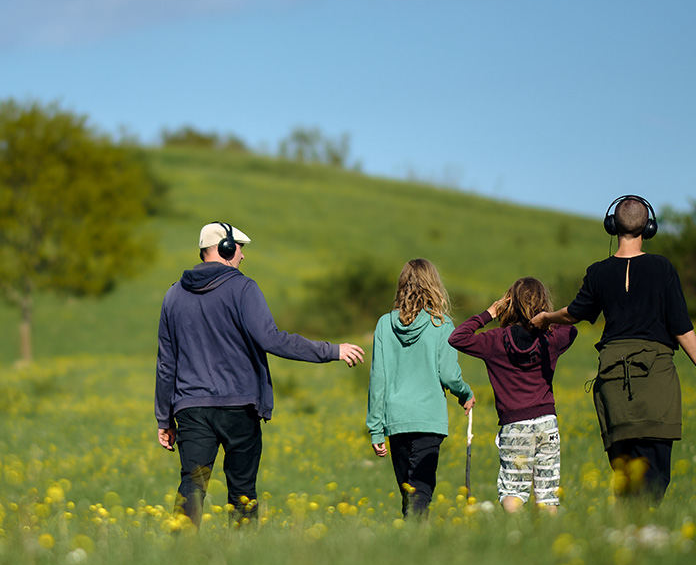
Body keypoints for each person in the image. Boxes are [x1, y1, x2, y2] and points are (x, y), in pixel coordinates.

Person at [155, 222, 364, 528]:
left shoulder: (173, 295)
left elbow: (166, 363)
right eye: (240, 248)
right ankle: (242, 550)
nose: (242, 256)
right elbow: (272, 339)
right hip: (239, 406)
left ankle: (180, 549)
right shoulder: (243, 288)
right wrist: (331, 350)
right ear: (226, 248)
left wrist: (164, 419)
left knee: (192, 484)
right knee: (242, 490)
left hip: (191, 407)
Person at [534, 195, 696, 505]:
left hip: (613, 380)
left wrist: (546, 318)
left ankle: (627, 528)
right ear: (649, 227)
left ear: (611, 226)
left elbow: (574, 313)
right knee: (655, 472)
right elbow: (680, 326)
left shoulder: (598, 272)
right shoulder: (662, 268)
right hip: (656, 378)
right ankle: (644, 527)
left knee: (625, 474)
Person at [449, 277, 577, 514]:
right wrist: (548, 318)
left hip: (514, 426)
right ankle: (548, 534)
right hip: (547, 422)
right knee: (547, 493)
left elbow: (457, 338)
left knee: (513, 490)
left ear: (508, 305)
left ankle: (514, 531)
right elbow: (572, 327)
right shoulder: (551, 339)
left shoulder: (494, 340)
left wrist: (489, 313)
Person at [366, 259, 475, 519]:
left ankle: (411, 537)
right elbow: (448, 374)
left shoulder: (384, 325)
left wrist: (375, 428)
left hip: (396, 420)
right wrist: (465, 393)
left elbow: (378, 379)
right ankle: (415, 535)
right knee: (421, 491)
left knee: (408, 492)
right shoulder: (442, 325)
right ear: (434, 286)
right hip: (428, 419)